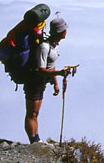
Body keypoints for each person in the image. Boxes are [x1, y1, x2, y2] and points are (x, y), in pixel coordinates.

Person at [24, 16, 70, 144]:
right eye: (65, 29)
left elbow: (51, 65)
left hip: (41, 82)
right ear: (60, 32)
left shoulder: (53, 46)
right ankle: (33, 142)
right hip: (34, 81)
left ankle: (36, 139)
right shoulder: (44, 47)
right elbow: (41, 69)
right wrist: (59, 73)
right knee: (31, 113)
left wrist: (55, 84)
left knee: (35, 113)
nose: (67, 31)